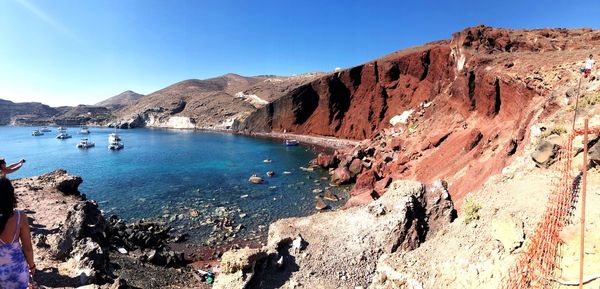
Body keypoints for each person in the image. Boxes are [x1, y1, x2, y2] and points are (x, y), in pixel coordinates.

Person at [0, 177, 35, 289]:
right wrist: (32, 266)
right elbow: (27, 247)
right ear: (11, 196)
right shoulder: (20, 217)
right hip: (18, 270)